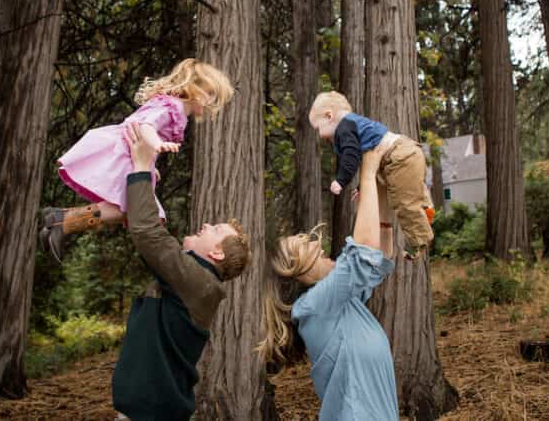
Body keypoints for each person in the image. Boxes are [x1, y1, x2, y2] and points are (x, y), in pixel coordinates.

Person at [110, 121, 251, 421]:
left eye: (214, 229)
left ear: (217, 253)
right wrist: (145, 181)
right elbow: (155, 238)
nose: (205, 226)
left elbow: (149, 234)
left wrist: (140, 165)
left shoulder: (198, 282)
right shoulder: (192, 280)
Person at [39, 58, 234, 262]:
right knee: (134, 208)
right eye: (210, 93)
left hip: (134, 155)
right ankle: (62, 220)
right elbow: (146, 126)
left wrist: (152, 164)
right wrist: (157, 144)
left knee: (129, 209)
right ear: (194, 87)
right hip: (126, 152)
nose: (212, 101)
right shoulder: (173, 107)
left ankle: (63, 221)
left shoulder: (175, 109)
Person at [259, 148, 399, 420]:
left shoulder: (342, 303)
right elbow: (364, 254)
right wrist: (368, 172)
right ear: (296, 272)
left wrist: (380, 202)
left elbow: (378, 257)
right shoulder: (313, 306)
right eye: (303, 246)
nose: (315, 243)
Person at [309, 90, 434, 259]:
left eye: (318, 127)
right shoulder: (354, 124)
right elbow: (367, 162)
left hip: (399, 158)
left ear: (329, 116)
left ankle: (419, 241)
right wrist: (362, 187)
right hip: (405, 153)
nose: (319, 135)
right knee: (407, 194)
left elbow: (351, 156)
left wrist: (340, 181)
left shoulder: (344, 128)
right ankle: (423, 207)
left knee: (403, 203)